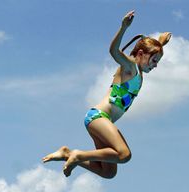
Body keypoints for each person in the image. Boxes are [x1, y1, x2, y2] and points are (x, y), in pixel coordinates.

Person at [42, 10, 171, 178]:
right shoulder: (129, 67)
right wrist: (123, 27)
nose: (155, 65)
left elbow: (149, 50)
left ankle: (67, 153)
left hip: (104, 121)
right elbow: (114, 51)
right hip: (98, 117)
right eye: (154, 61)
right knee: (124, 155)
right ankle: (78, 155)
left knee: (108, 172)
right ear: (140, 54)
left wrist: (160, 42)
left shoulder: (139, 71)